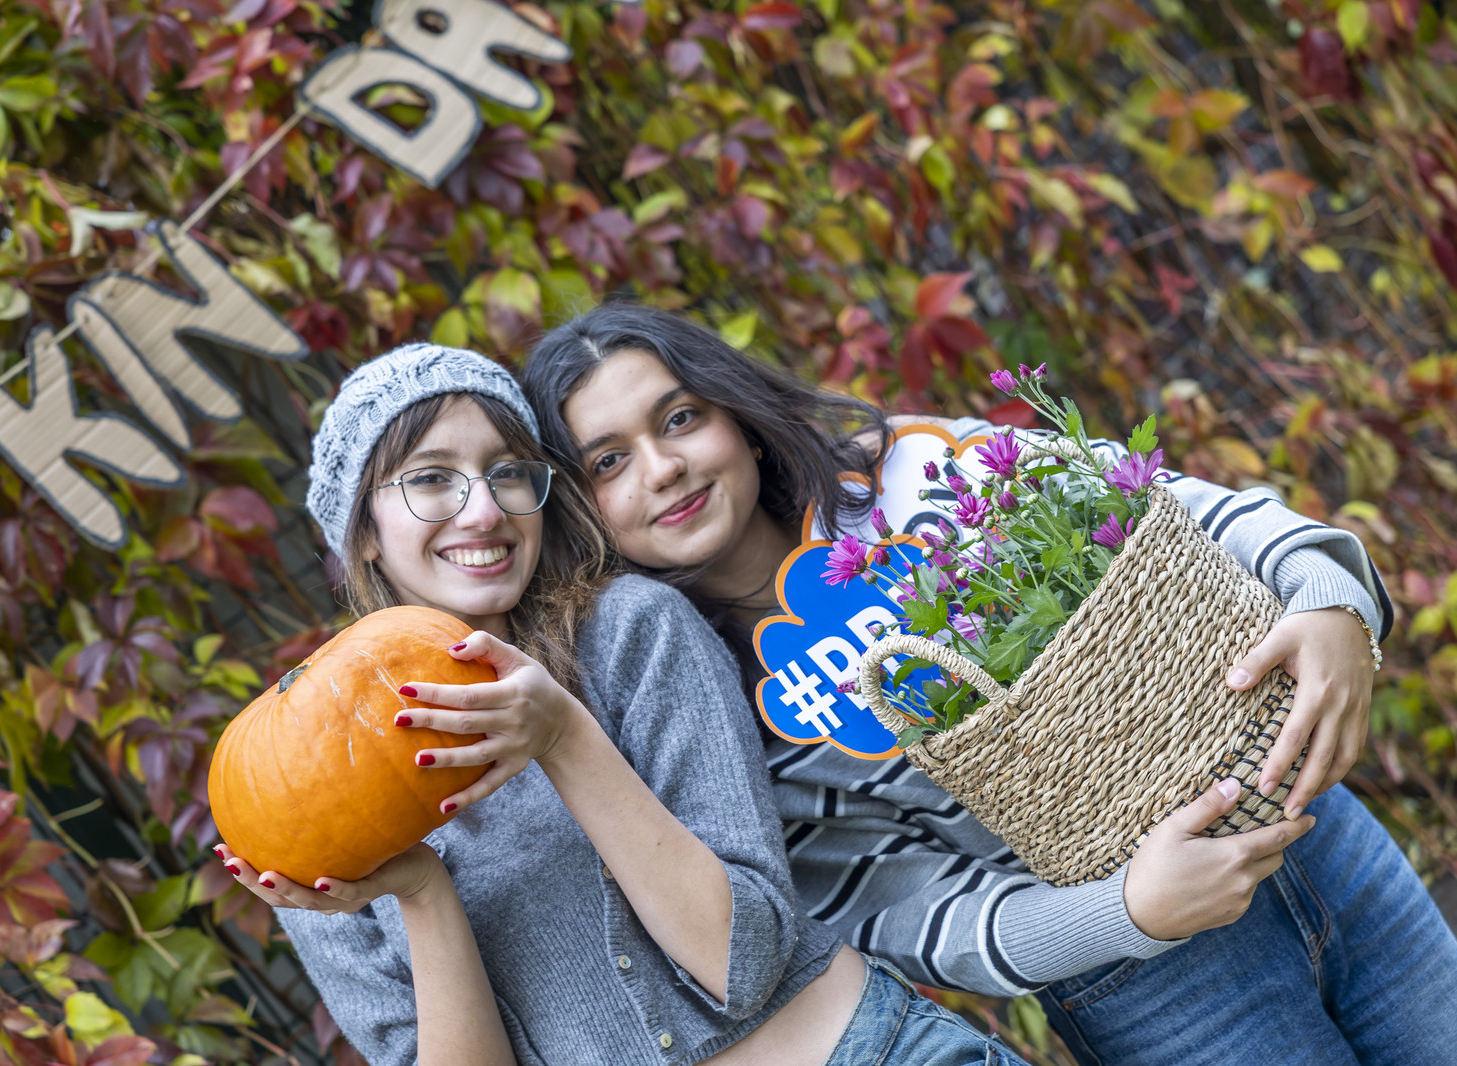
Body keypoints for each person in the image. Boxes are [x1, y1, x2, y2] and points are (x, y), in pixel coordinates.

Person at [521, 303, 1457, 1066]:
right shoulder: (699, 710)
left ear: (736, 418)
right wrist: (1125, 913)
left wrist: (1331, 599)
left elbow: (1163, 507)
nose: (665, 467)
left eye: (681, 417)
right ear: (578, 509)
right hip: (1155, 973)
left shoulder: (908, 477)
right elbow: (901, 909)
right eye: (609, 461)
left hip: (1312, 829)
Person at [214, 343, 1030, 1066]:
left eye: (507, 471)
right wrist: (421, 891)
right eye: (431, 479)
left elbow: (741, 963)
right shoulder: (293, 783)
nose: (485, 510)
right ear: (361, 530)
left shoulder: (630, 634)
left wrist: (564, 738)